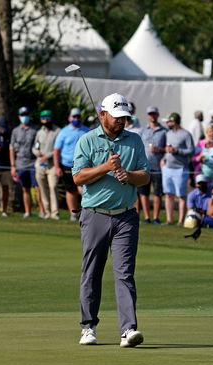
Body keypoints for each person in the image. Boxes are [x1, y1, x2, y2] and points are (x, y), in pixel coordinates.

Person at [72, 93, 150, 347]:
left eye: (124, 118)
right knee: (91, 272)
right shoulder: (86, 140)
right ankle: (88, 327)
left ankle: (128, 329)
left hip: (126, 216)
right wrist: (105, 168)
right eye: (116, 118)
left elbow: (145, 176)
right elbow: (78, 177)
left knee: (124, 274)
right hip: (95, 215)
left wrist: (128, 175)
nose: (121, 122)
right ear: (102, 114)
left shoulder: (135, 140)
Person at [54, 107, 90, 221]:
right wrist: (57, 167)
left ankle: (87, 213)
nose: (76, 119)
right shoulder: (63, 132)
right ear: (69, 118)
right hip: (67, 165)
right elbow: (56, 150)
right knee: (71, 190)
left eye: (78, 116)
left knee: (83, 189)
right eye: (74, 117)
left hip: (83, 165)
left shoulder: (87, 131)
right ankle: (73, 214)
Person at [161, 112, 194, 225]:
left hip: (180, 169)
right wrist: (164, 158)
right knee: (168, 194)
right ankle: (169, 220)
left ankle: (180, 221)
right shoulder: (168, 133)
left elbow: (191, 150)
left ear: (174, 122)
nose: (167, 123)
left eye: (169, 121)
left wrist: (177, 150)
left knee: (181, 195)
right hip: (167, 168)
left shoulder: (186, 134)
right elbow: (167, 149)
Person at [137, 105, 166, 224]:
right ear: (147, 116)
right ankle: (147, 217)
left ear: (157, 115)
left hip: (158, 166)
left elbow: (167, 148)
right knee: (144, 192)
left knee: (157, 192)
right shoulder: (143, 130)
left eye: (154, 113)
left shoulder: (164, 131)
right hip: (144, 166)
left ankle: (155, 218)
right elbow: (138, 146)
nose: (152, 116)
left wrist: (159, 150)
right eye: (150, 114)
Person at [10, 106, 40, 218]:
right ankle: (28, 212)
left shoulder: (35, 129)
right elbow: (11, 149)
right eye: (22, 115)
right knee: (25, 189)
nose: (24, 117)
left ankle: (42, 211)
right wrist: (13, 166)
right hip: (20, 164)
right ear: (19, 116)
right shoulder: (15, 131)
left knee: (38, 188)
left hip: (33, 163)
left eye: (26, 114)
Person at [33, 109, 61, 220]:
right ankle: (47, 212)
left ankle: (55, 213)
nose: (46, 120)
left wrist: (47, 156)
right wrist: (37, 153)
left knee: (53, 187)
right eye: (44, 118)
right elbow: (35, 147)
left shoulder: (57, 131)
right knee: (43, 189)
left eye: (48, 118)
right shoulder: (40, 132)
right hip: (40, 165)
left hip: (52, 165)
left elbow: (58, 149)